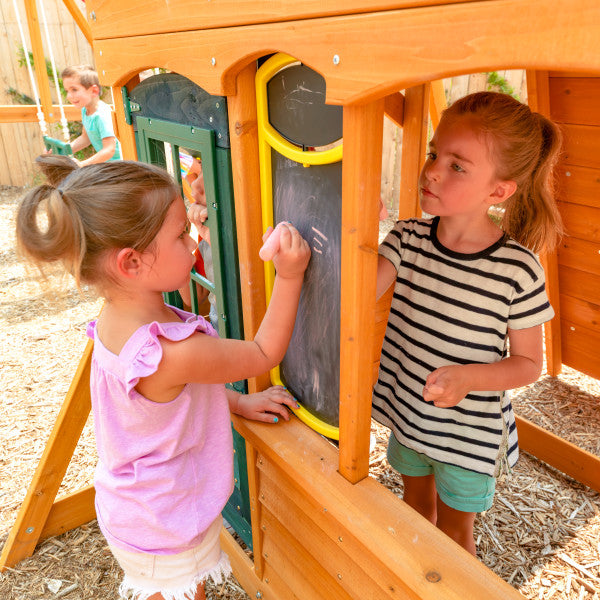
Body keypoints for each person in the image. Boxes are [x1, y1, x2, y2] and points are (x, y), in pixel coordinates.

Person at [16, 155, 310, 600]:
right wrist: (289, 276)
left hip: (138, 508)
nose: (193, 241)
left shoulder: (119, 319)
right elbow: (261, 353)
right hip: (166, 523)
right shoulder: (170, 353)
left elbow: (164, 405)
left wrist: (235, 403)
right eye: (179, 234)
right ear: (131, 264)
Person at [373, 91, 563, 555]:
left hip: (468, 438)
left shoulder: (517, 270)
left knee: (455, 539)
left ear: (498, 191)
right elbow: (357, 294)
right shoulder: (406, 238)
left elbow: (526, 365)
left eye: (458, 166)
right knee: (415, 512)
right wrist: (356, 222)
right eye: (434, 154)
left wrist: (467, 378)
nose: (432, 169)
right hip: (409, 416)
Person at [61, 65, 121, 165]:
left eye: (74, 90)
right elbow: (86, 138)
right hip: (108, 165)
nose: (69, 96)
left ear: (94, 91)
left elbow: (109, 149)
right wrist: (63, 151)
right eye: (67, 91)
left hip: (121, 165)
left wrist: (81, 164)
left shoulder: (102, 115)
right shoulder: (86, 110)